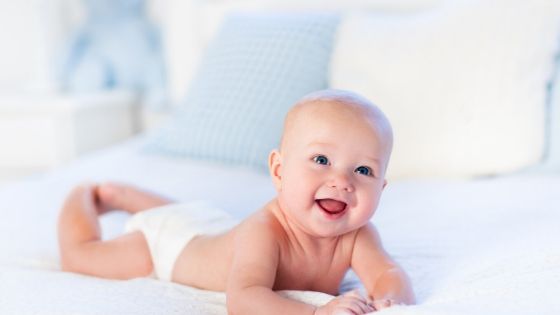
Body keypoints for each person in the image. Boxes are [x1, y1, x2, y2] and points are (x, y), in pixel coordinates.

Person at [57, 89, 415, 314]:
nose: (342, 182)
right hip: (169, 248)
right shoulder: (265, 231)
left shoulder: (359, 234)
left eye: (363, 170)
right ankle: (87, 192)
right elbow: (244, 299)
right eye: (321, 160)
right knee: (82, 256)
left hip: (209, 225)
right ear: (278, 170)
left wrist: (388, 300)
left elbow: (388, 273)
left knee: (188, 215)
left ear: (381, 188)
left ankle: (124, 194)